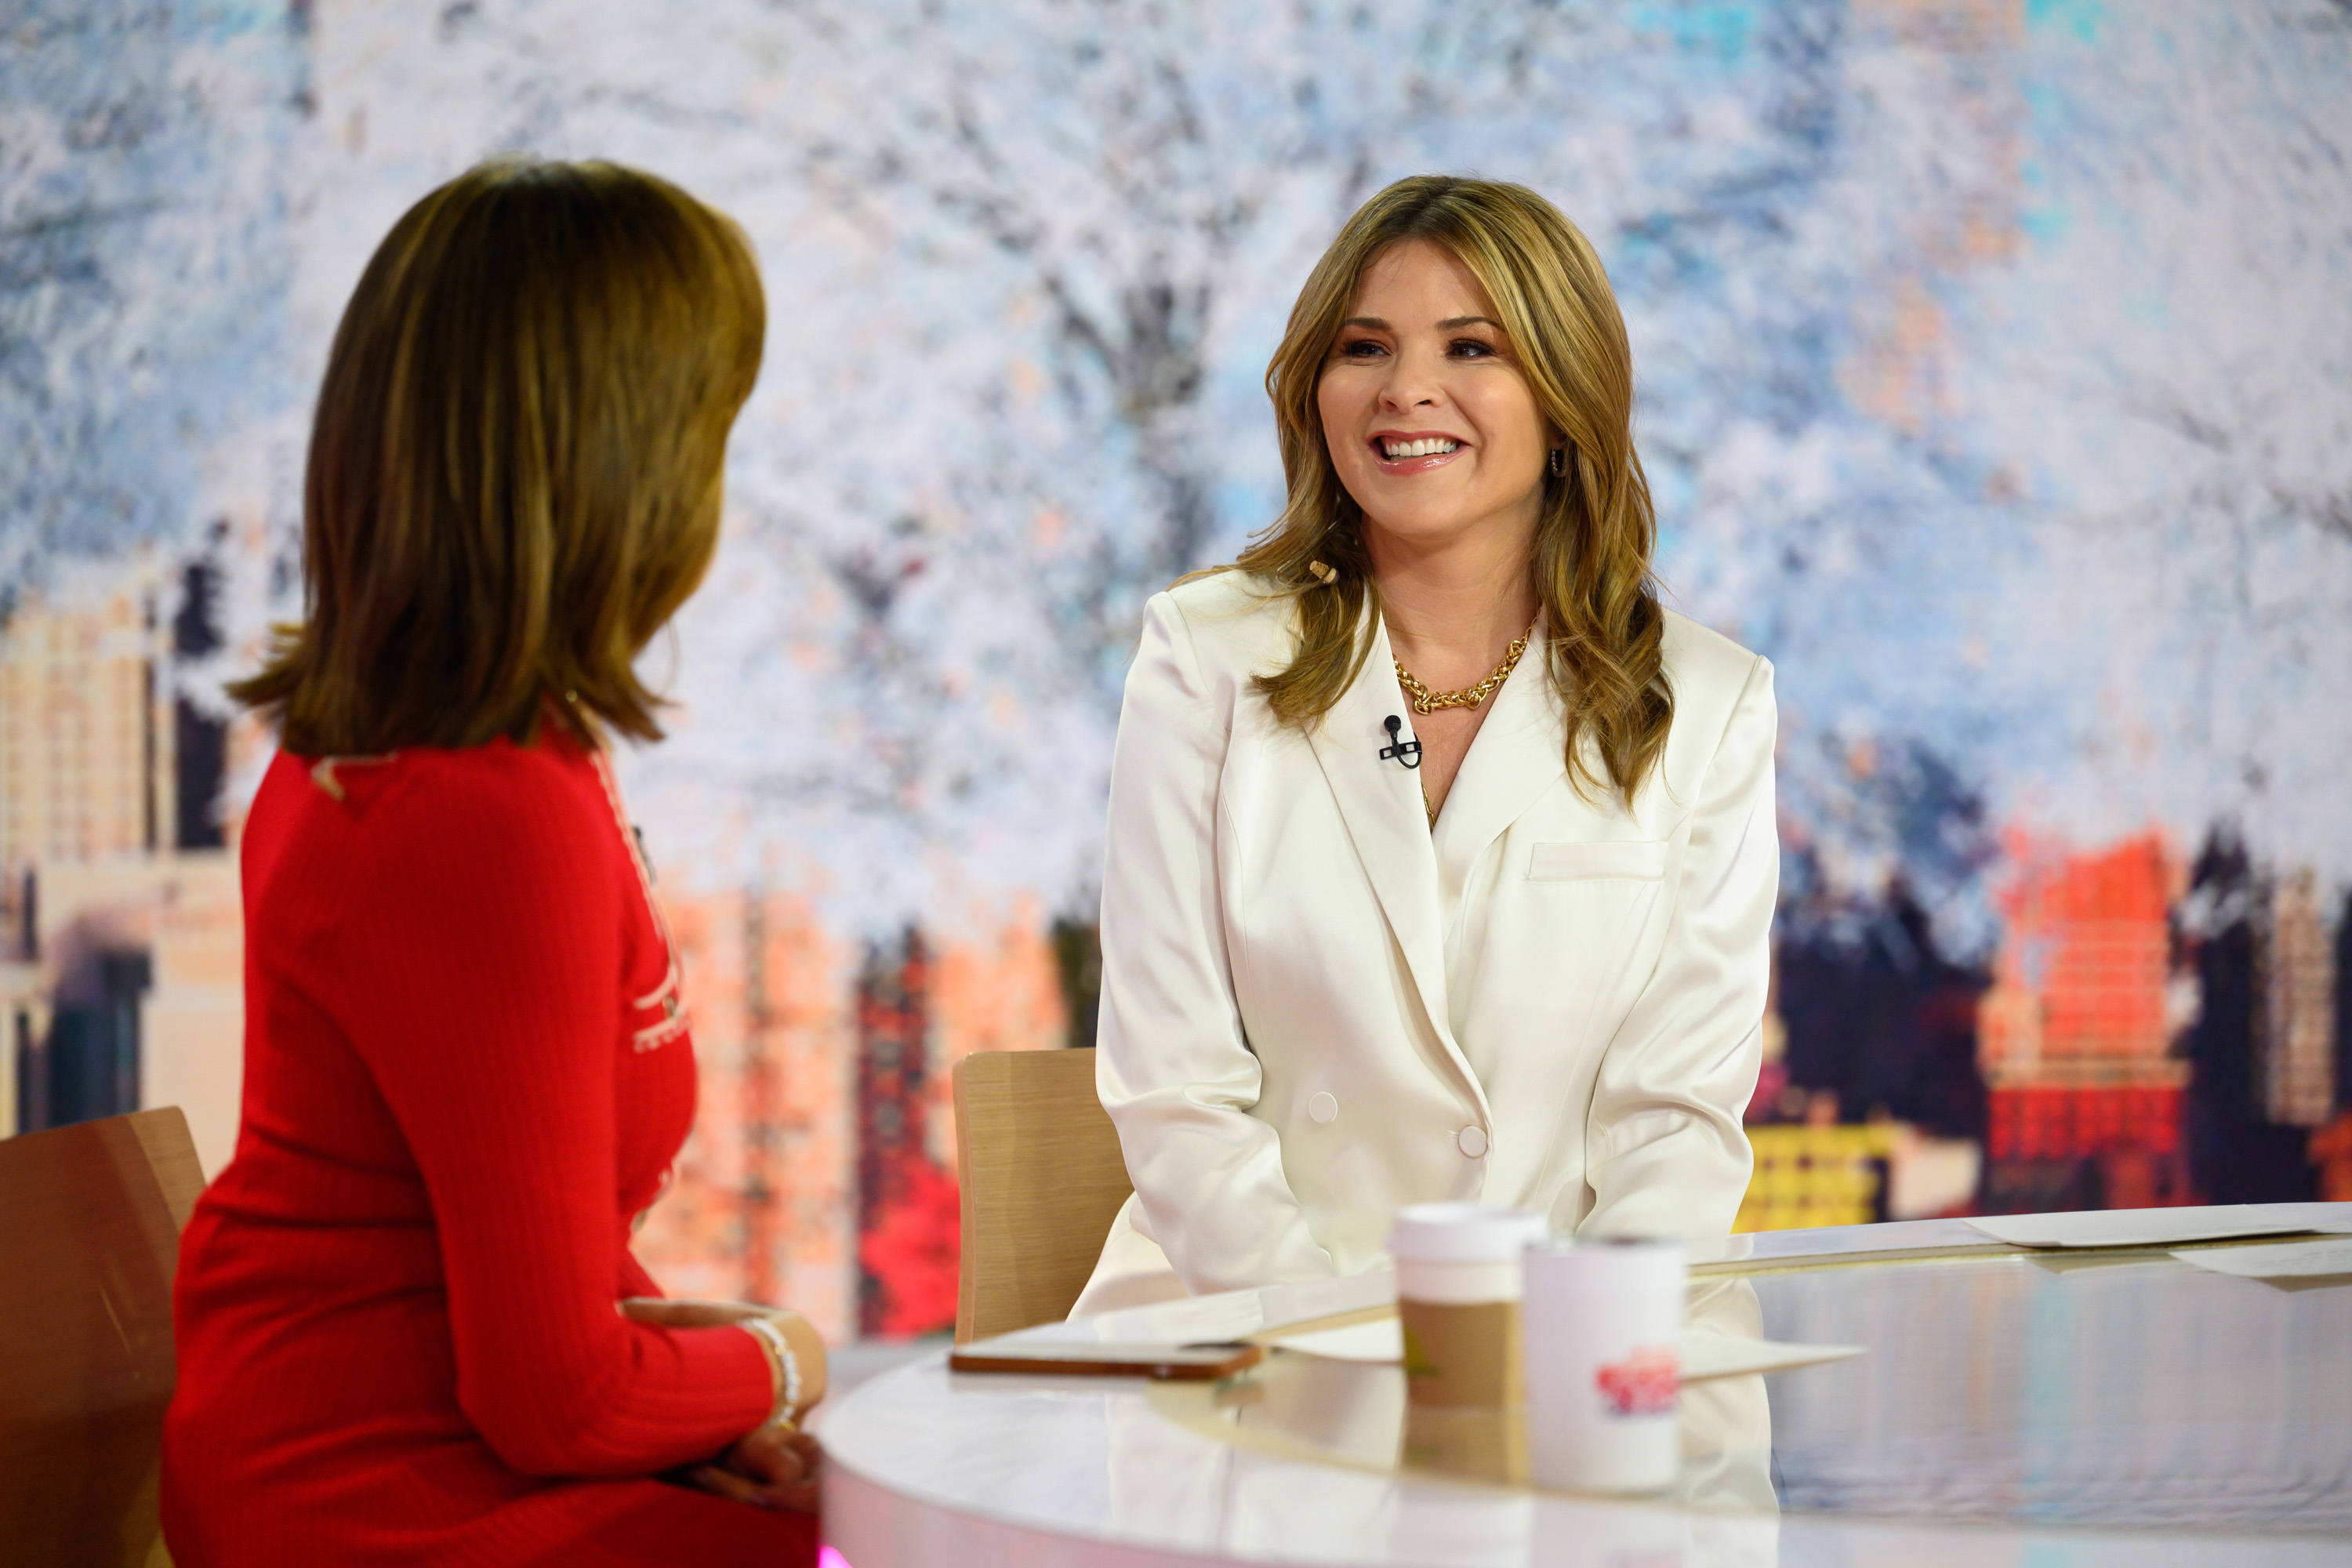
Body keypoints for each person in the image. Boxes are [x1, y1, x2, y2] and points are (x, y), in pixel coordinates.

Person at [163, 158, 826, 1566]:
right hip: (381, 1504)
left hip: (385, 1453)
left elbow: (517, 1278)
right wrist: (783, 1357)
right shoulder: (487, 816)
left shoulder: (398, 753)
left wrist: (700, 1390)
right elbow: (557, 1399)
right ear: (625, 465)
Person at [1074, 175, 1777, 1312]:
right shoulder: (1206, 657)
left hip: (1585, 1340)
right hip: (1247, 1324)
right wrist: (1340, 1348)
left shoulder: (1709, 701)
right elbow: (1177, 1092)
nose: (1405, 390)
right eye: (1364, 348)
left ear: (1566, 395)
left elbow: (1676, 1124)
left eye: (1470, 348)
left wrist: (1557, 1356)